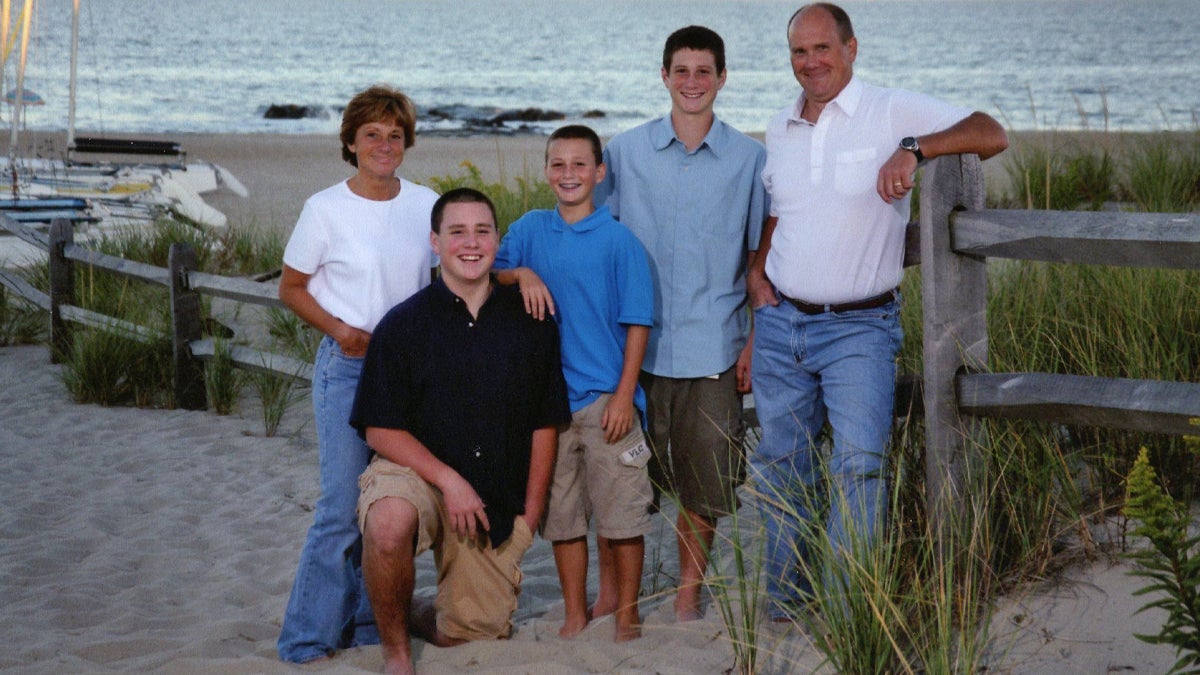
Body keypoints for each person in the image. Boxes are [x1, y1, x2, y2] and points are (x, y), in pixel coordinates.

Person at [747, 2, 1008, 620]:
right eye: (798, 52)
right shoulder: (779, 125)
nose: (810, 63)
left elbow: (991, 132)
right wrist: (758, 270)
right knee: (784, 468)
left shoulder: (889, 110)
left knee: (859, 467)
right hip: (782, 325)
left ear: (851, 48)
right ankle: (786, 605)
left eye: (821, 49)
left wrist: (915, 150)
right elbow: (786, 209)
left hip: (860, 328)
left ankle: (851, 610)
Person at [351, 188, 571, 675]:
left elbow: (544, 423)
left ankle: (412, 608)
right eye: (457, 232)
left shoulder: (532, 321)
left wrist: (529, 517)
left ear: (497, 239)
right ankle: (396, 656)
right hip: (417, 472)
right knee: (387, 527)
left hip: (492, 495)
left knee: (468, 633)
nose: (470, 243)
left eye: (482, 231)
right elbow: (379, 429)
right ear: (435, 241)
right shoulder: (403, 324)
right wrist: (449, 481)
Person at [593, 25, 768, 622]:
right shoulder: (623, 152)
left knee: (705, 483)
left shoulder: (749, 159)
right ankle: (614, 596)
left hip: (713, 345)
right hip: (630, 352)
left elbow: (757, 262)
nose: (692, 82)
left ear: (722, 78)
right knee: (619, 477)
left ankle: (687, 597)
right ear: (663, 76)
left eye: (704, 71)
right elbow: (599, 244)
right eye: (681, 70)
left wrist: (752, 341)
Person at [276, 85, 440, 663]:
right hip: (346, 369)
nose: (384, 144)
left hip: (410, 378)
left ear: (406, 143)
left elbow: (458, 273)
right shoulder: (325, 208)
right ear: (350, 141)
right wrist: (342, 331)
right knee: (342, 508)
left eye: (395, 135)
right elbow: (290, 288)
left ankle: (371, 629)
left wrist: (515, 275)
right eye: (372, 134)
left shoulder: (426, 204)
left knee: (386, 509)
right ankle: (307, 640)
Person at [494, 124, 655, 642]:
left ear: (599, 172)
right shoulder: (530, 230)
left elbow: (637, 323)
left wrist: (626, 395)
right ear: (546, 171)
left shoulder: (619, 240)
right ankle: (574, 613)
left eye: (580, 165)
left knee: (622, 512)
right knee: (562, 517)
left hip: (608, 399)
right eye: (558, 165)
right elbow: (485, 272)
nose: (568, 174)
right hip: (546, 404)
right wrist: (521, 275)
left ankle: (626, 614)